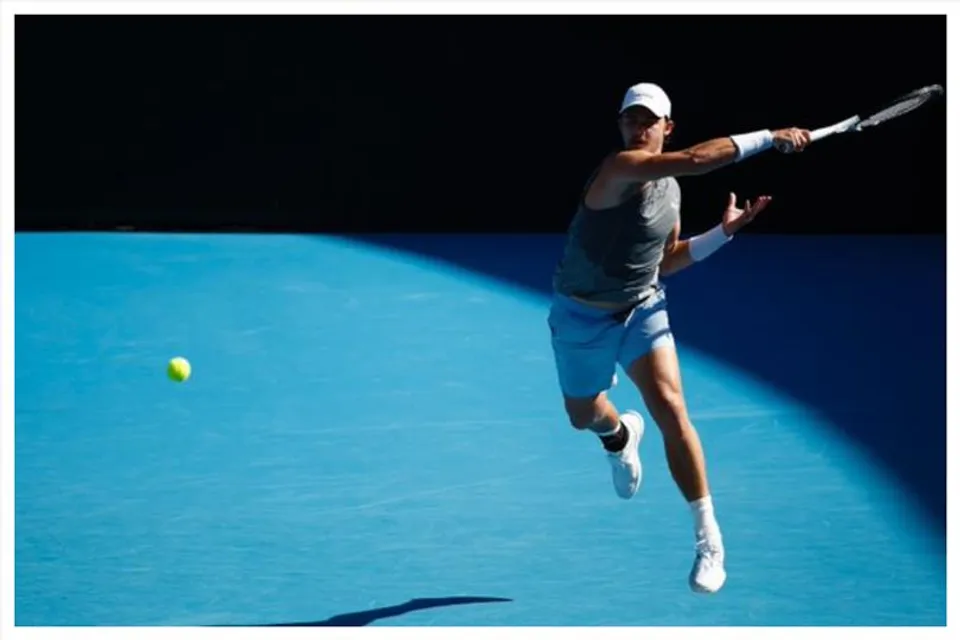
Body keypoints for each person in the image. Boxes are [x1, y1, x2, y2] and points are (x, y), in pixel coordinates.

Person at [548, 82, 811, 594]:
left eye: (650, 121)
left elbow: (665, 261)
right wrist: (771, 136)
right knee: (583, 415)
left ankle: (708, 541)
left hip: (643, 307)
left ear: (667, 127)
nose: (639, 128)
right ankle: (619, 436)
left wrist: (722, 233)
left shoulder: (672, 190)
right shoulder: (619, 168)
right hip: (580, 316)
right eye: (631, 119)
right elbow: (694, 159)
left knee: (671, 407)